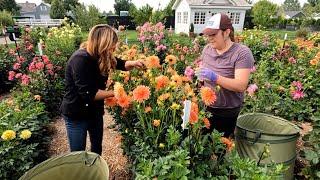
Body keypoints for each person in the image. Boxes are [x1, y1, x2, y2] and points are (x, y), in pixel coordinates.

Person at [60, 24, 144, 155]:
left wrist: (133, 63)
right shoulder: (80, 59)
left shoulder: (102, 55)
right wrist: (117, 92)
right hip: (76, 113)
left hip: (94, 112)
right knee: (77, 154)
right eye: (112, 44)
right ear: (103, 43)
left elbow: (120, 63)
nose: (114, 47)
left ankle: (95, 172)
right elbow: (89, 94)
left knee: (97, 148)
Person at [196, 13, 254, 138]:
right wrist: (198, 77)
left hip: (227, 111)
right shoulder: (207, 49)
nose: (209, 38)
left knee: (221, 147)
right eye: (208, 35)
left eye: (213, 34)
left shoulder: (241, 53)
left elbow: (241, 85)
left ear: (226, 32)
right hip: (206, 107)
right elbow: (204, 77)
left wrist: (215, 77)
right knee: (203, 143)